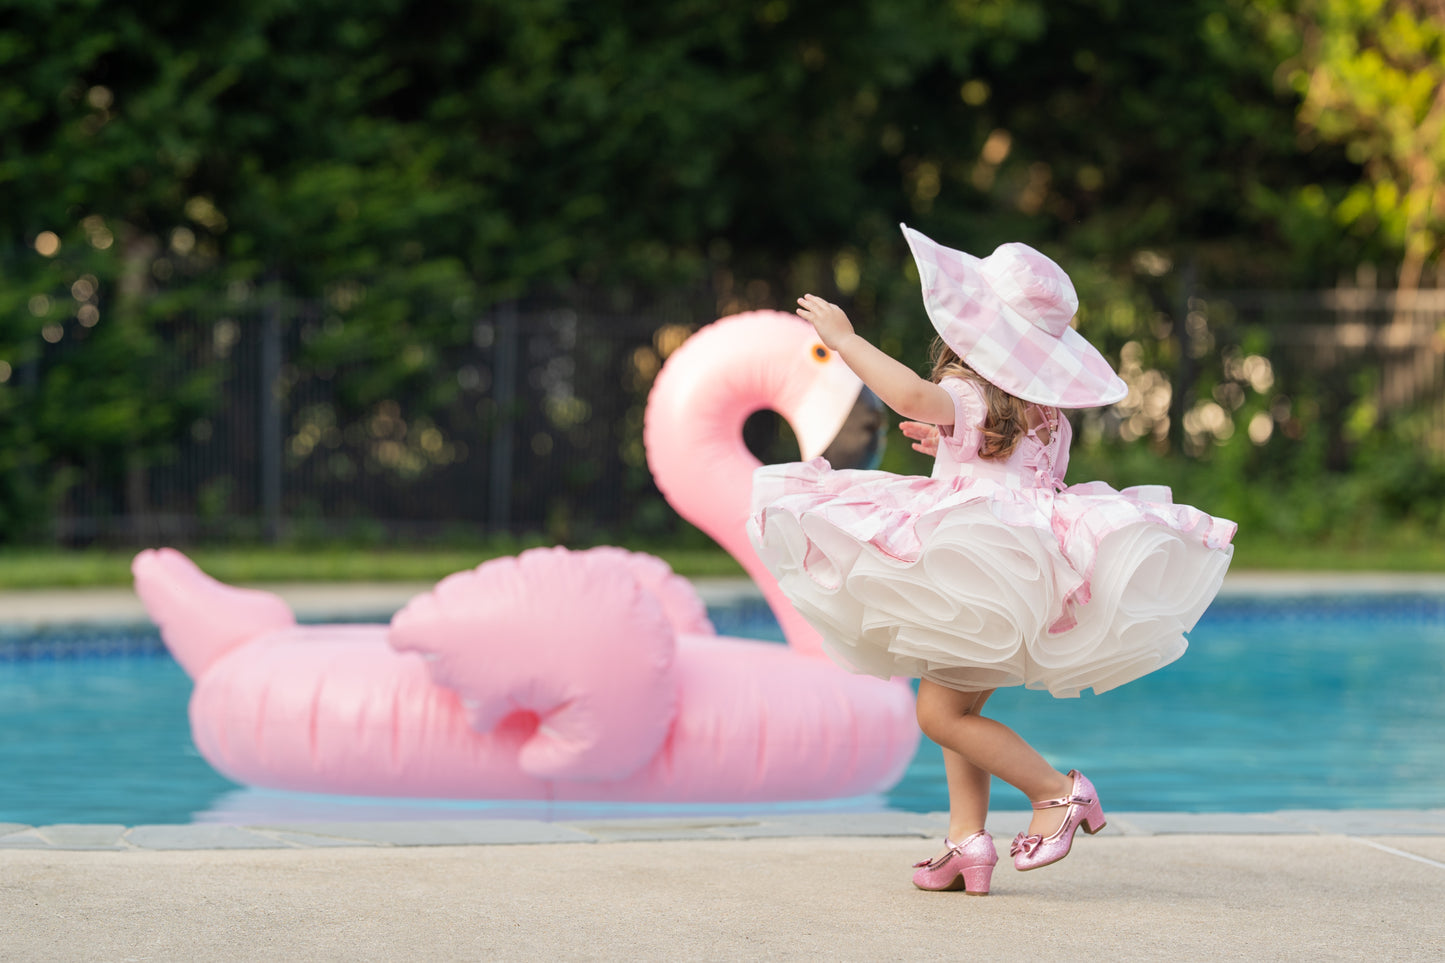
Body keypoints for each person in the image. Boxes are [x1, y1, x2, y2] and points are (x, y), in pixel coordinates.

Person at [747, 224, 1236, 896]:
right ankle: (964, 840)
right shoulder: (1044, 412)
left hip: (977, 561)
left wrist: (847, 340)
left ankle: (1058, 792)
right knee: (951, 703)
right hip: (1017, 563)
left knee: (939, 715)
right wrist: (950, 448)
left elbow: (915, 397)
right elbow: (1014, 470)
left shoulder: (969, 392)